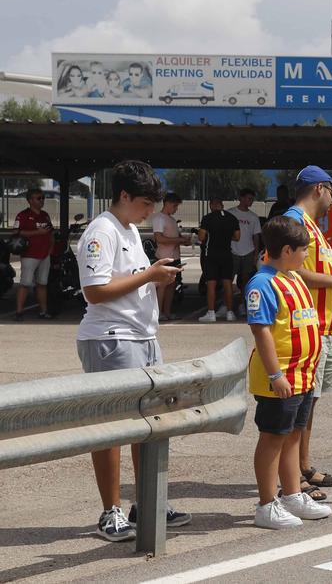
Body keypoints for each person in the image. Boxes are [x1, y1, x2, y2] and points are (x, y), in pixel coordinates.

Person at [76, 160, 188, 541]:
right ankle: (111, 511)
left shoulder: (128, 230)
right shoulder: (101, 231)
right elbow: (95, 290)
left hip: (141, 337)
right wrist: (150, 275)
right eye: (145, 203)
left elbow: (130, 281)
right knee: (113, 427)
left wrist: (154, 275)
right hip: (112, 338)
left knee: (149, 424)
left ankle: (146, 501)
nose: (150, 211)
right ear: (124, 196)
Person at [244, 216, 332, 530]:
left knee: (294, 435)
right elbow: (262, 332)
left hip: (302, 376)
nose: (306, 256)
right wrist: (274, 375)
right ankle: (267, 504)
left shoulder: (292, 276)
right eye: (302, 250)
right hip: (281, 379)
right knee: (273, 438)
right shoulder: (263, 283)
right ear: (285, 250)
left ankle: (292, 493)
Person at [285, 166, 332, 499]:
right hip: (308, 327)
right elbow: (289, 269)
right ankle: (291, 476)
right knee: (299, 405)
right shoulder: (294, 221)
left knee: (309, 404)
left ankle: (303, 465)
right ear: (319, 189)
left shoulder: (312, 225)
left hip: (324, 327)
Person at [198, 198, 241, 323]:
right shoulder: (231, 218)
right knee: (227, 283)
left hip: (211, 254)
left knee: (211, 283)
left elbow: (201, 236)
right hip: (227, 253)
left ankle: (211, 312)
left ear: (211, 205)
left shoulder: (207, 218)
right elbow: (237, 237)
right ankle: (230, 312)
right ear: (222, 205)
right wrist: (226, 237)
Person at [14, 188, 54, 321]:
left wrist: (51, 247)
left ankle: (43, 311)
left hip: (44, 255)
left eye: (43, 198)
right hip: (29, 255)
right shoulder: (23, 215)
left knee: (42, 284)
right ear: (30, 200)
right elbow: (17, 232)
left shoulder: (45, 215)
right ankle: (19, 312)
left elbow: (51, 232)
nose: (42, 200)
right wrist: (37, 233)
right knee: (25, 283)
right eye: (39, 198)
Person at [150, 192, 187, 320]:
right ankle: (158, 313)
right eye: (175, 206)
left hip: (175, 257)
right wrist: (179, 240)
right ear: (167, 204)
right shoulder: (159, 218)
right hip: (163, 257)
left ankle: (167, 312)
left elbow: (173, 238)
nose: (176, 209)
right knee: (162, 286)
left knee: (171, 285)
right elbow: (159, 239)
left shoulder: (171, 219)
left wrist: (182, 240)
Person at [228, 188, 263, 307]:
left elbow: (256, 237)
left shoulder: (253, 217)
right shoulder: (230, 213)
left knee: (245, 280)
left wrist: (256, 254)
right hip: (232, 251)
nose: (251, 201)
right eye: (249, 198)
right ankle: (226, 306)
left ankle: (243, 305)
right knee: (228, 279)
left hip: (248, 251)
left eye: (252, 199)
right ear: (241, 198)